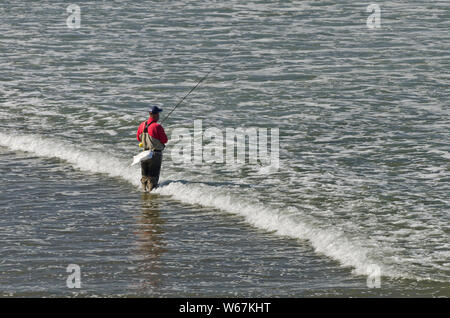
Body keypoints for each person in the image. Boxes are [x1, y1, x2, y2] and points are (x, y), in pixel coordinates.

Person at [136, 105, 168, 192]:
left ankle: (144, 194)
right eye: (158, 113)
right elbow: (165, 140)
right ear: (155, 115)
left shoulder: (142, 125)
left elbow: (138, 138)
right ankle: (152, 199)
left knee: (144, 177)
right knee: (152, 179)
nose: (159, 115)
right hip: (155, 154)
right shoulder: (157, 126)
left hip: (144, 154)